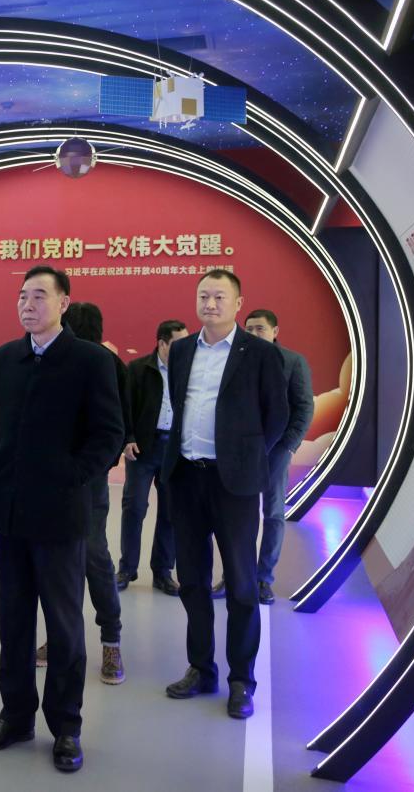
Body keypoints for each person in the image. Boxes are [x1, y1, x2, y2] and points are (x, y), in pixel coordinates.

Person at [0, 266, 123, 774]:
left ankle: (66, 726)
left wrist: (73, 475)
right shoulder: (5, 358)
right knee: (14, 623)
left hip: (61, 514)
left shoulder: (89, 360)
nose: (28, 304)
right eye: (22, 296)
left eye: (39, 296)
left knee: (63, 626)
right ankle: (15, 716)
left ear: (63, 303)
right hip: (10, 512)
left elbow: (108, 433)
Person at [162, 270, 288, 720]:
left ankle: (241, 680)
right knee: (192, 580)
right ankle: (201, 668)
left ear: (238, 303)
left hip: (234, 484)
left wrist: (245, 456)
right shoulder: (181, 350)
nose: (210, 304)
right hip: (186, 477)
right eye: (203, 296)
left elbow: (277, 416)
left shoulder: (260, 353)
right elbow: (179, 404)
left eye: (219, 296)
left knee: (240, 583)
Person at [58, 300, 129, 685]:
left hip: (89, 481)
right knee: (57, 561)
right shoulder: (50, 359)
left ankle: (110, 640)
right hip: (51, 482)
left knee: (93, 555)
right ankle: (61, 638)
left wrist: (90, 468)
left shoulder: (109, 365)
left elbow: (117, 427)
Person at [242, 309, 314, 605]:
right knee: (240, 514)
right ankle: (239, 574)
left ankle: (264, 578)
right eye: (249, 329)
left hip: (277, 449)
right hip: (243, 449)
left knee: (273, 513)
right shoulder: (237, 359)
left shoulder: (293, 361)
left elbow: (304, 406)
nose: (253, 334)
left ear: (275, 331)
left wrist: (289, 445)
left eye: (260, 328)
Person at [117, 320, 190, 595]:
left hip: (175, 451)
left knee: (170, 512)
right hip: (143, 449)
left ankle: (162, 572)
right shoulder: (138, 369)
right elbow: (125, 407)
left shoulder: (189, 370)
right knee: (134, 507)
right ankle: (127, 568)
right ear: (162, 343)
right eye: (178, 343)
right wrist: (128, 438)